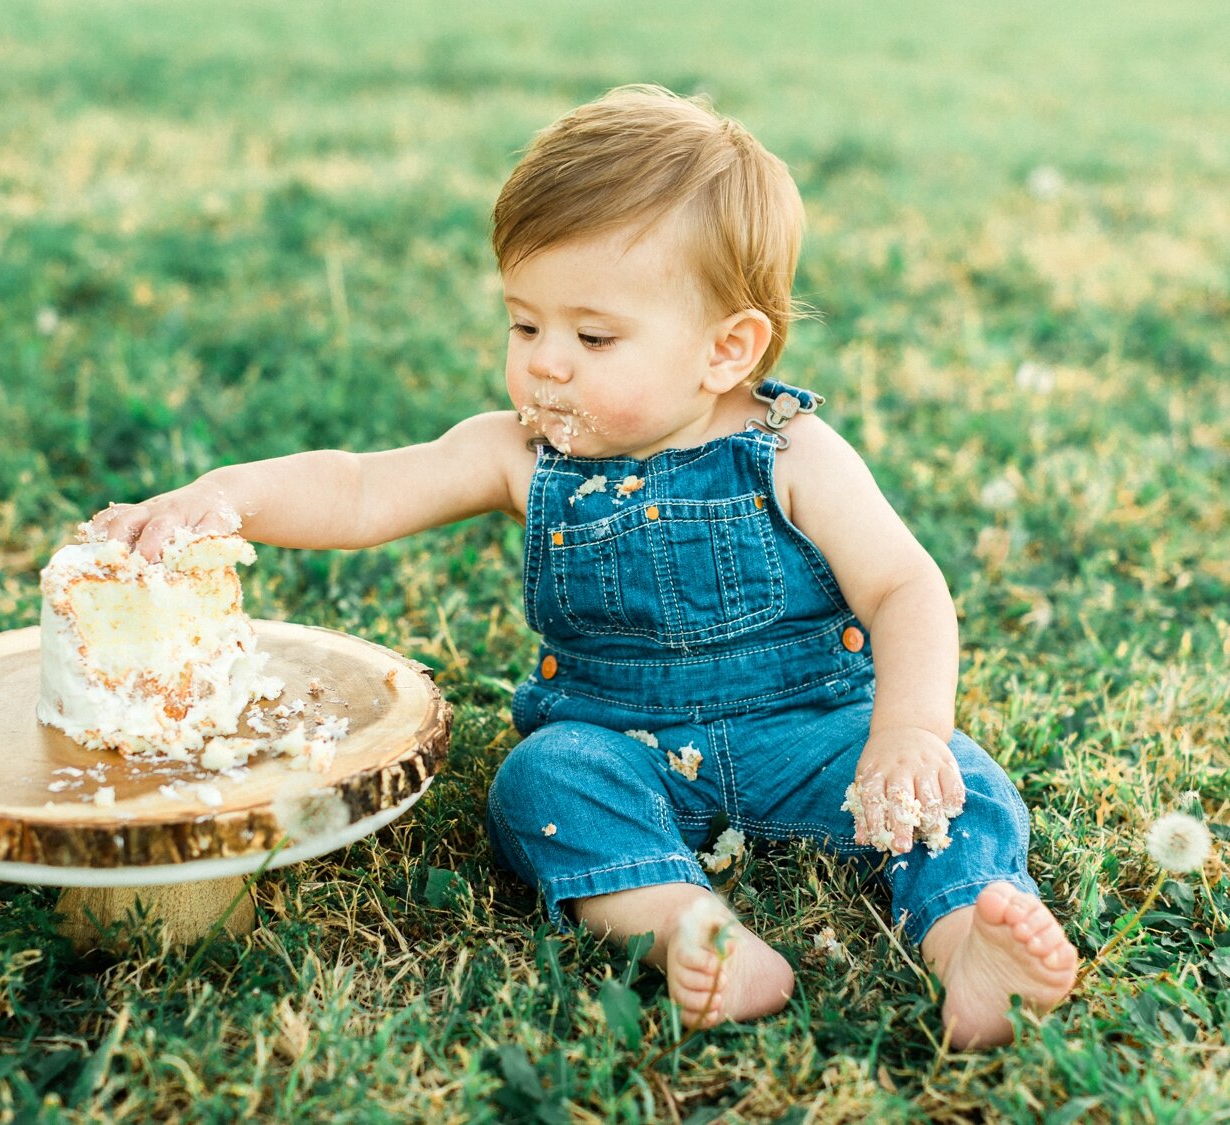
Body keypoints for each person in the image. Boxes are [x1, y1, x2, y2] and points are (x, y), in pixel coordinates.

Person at [86, 85, 1077, 1048]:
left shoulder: (792, 454)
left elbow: (904, 589)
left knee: (964, 789)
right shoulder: (525, 453)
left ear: (727, 351)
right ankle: (687, 925)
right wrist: (226, 495)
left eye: (593, 336)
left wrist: (904, 734)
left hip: (812, 737)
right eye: (525, 325)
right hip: (620, 743)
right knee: (540, 786)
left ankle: (967, 941)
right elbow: (359, 488)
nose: (546, 363)